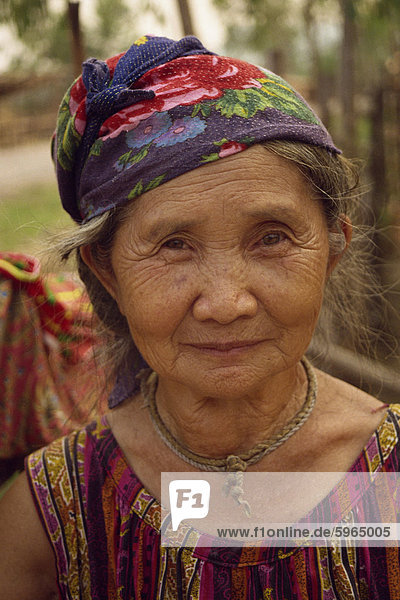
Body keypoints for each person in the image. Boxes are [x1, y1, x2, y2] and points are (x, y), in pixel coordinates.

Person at [0, 34, 399, 599]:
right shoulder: (49, 519)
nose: (227, 302)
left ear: (332, 249)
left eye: (271, 238)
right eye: (173, 246)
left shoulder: (394, 479)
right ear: (108, 272)